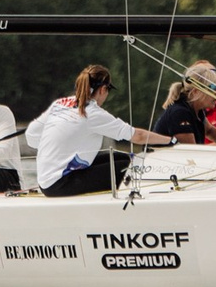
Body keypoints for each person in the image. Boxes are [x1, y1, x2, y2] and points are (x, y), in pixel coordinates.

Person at [24, 63, 173, 197]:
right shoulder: (94, 114)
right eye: (108, 90)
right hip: (60, 184)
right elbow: (138, 136)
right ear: (103, 89)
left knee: (123, 158)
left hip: (47, 180)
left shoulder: (59, 104)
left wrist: (55, 148)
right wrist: (172, 141)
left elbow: (31, 135)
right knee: (128, 167)